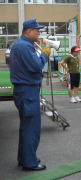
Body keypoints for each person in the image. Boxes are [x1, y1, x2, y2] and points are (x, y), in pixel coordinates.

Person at [9, 19, 50, 171]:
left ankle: (24, 158)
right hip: (28, 91)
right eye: (37, 30)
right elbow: (36, 66)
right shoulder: (25, 46)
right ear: (29, 31)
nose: (39, 33)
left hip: (24, 90)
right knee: (31, 129)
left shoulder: (21, 45)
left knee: (26, 127)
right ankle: (30, 163)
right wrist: (45, 55)